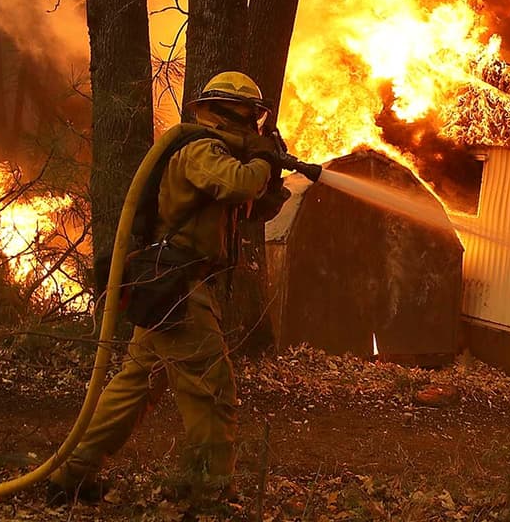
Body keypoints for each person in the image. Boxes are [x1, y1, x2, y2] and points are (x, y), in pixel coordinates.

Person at [47, 71, 312, 504]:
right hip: (181, 291)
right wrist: (262, 162)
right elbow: (236, 182)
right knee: (213, 393)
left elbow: (241, 205)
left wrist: (270, 185)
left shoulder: (213, 153)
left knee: (134, 385)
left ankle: (71, 475)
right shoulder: (202, 149)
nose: (254, 127)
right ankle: (208, 494)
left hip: (171, 287)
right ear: (228, 113)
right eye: (250, 117)